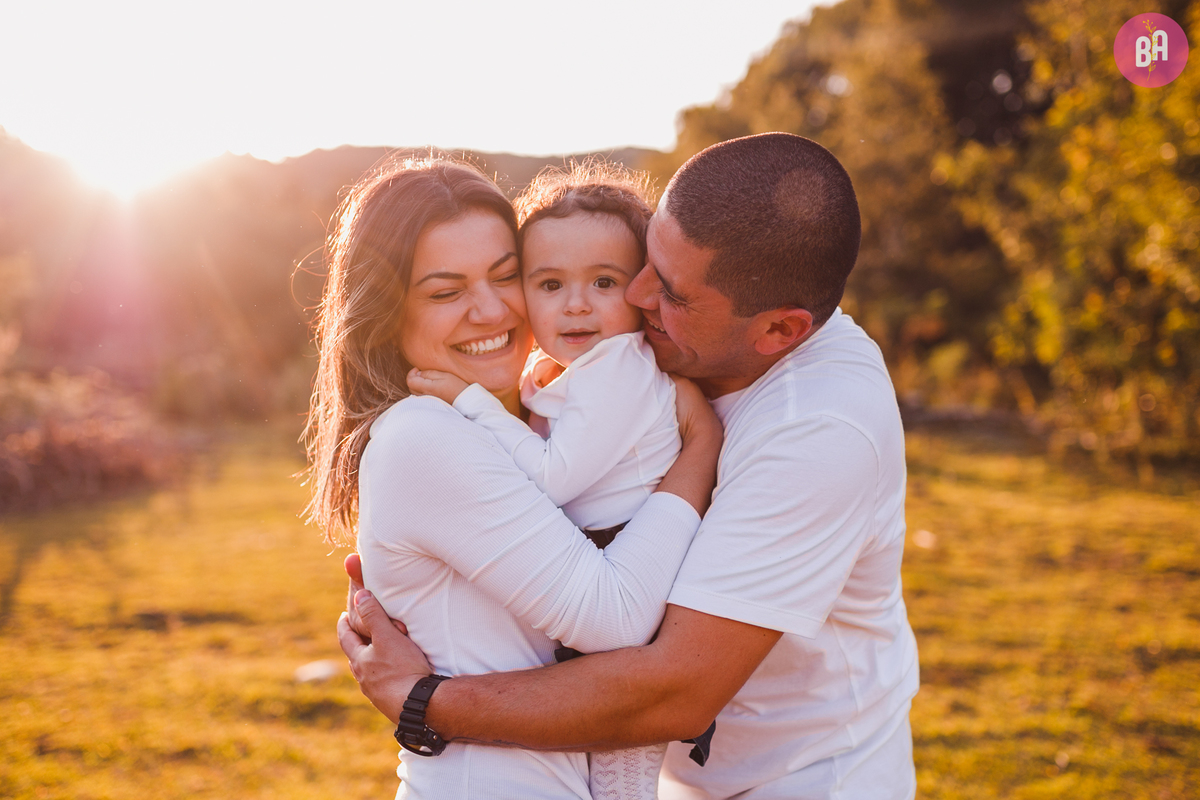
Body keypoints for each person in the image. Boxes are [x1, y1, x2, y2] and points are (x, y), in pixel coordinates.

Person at [340, 132, 921, 800]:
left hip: (801, 781)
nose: (637, 297)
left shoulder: (816, 426)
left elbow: (674, 691)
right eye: (644, 261)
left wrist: (423, 702)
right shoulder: (658, 359)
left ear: (778, 333)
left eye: (670, 291)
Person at [305, 157, 723, 800]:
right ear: (387, 313)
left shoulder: (530, 413)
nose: (490, 309)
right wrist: (699, 450)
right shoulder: (423, 435)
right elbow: (612, 620)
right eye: (446, 292)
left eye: (507, 277)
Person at [408, 162, 688, 800]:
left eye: (604, 282)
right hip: (604, 565)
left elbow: (552, 478)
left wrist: (468, 399)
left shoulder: (619, 366)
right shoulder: (577, 366)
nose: (577, 303)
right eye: (550, 283)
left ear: (643, 289)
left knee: (619, 774)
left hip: (630, 578)